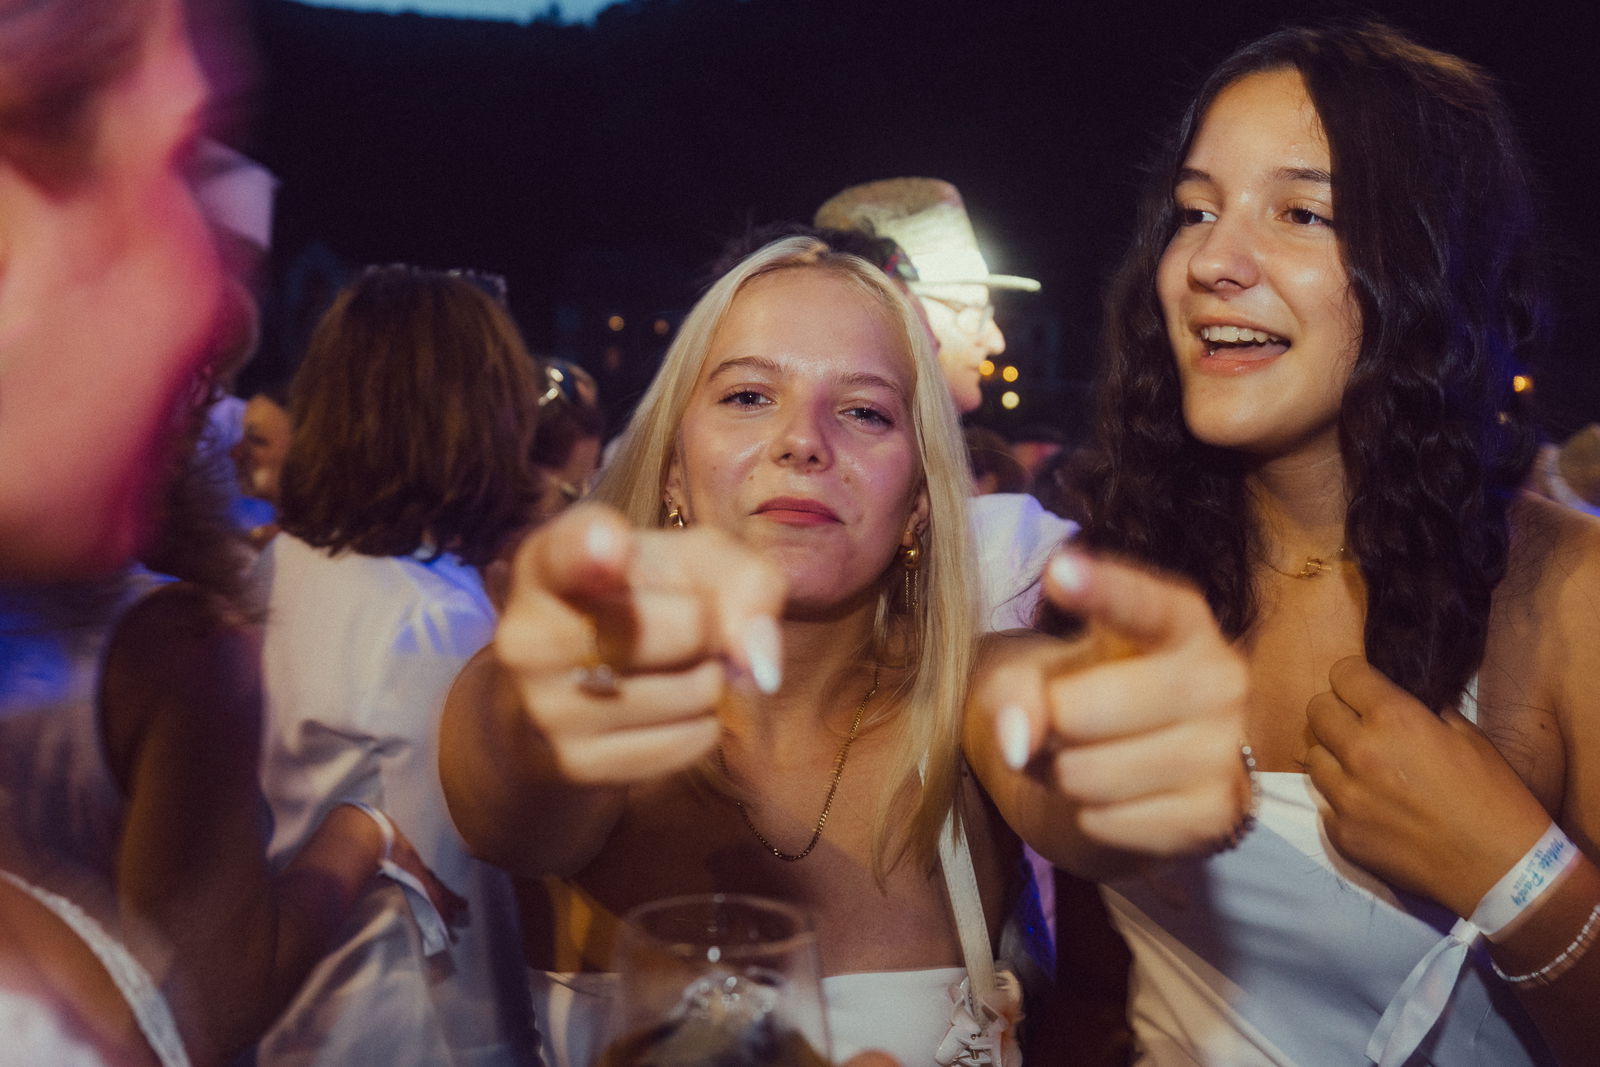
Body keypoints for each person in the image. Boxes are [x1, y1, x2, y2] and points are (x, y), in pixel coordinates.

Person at [439, 235, 1250, 1066]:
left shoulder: (974, 697)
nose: (804, 440)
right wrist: (534, 710)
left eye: (863, 410)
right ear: (674, 471)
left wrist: (1126, 748)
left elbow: (1051, 742)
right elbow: (505, 781)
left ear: (920, 507)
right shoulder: (579, 696)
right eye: (750, 394)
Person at [1056, 20, 1600, 1065]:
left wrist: (1517, 874)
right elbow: (1089, 993)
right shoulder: (1116, 588)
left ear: (1429, 265)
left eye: (1301, 212)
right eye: (1193, 212)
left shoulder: (1566, 594)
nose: (1214, 260)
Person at [0, 2, 454, 1064]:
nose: (194, 285)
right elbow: (214, 1001)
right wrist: (362, 835)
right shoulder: (184, 650)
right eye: (59, 116)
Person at [253, 265, 547, 1066]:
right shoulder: (430, 620)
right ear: (476, 415)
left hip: (291, 1015)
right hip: (399, 1025)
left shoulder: (281, 562)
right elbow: (468, 902)